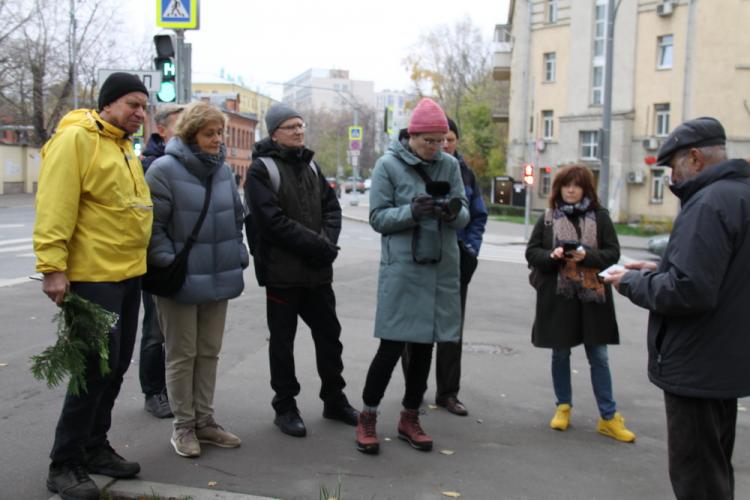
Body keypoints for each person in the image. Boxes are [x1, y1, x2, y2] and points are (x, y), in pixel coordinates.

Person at [604, 117, 750, 499]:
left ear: (696, 158)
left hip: (697, 364)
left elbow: (689, 291)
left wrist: (631, 282)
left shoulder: (708, 203)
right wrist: (660, 268)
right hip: (726, 361)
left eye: (673, 166)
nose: (671, 178)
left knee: (697, 479)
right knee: (716, 469)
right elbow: (725, 272)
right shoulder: (740, 195)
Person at [34, 72, 152, 500]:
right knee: (91, 370)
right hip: (92, 276)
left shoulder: (123, 147)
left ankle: (94, 446)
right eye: (132, 104)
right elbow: (55, 205)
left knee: (116, 366)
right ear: (108, 104)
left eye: (144, 106)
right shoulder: (76, 140)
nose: (140, 113)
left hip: (127, 275)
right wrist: (52, 267)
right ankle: (63, 463)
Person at [355, 98, 469, 455]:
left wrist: (451, 211)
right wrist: (412, 211)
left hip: (439, 269)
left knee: (424, 348)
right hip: (403, 270)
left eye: (442, 141)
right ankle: (368, 416)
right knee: (390, 346)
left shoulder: (449, 166)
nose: (437, 148)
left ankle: (409, 417)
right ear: (412, 136)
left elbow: (465, 213)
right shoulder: (388, 165)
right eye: (429, 142)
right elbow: (377, 218)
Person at [245, 103, 358, 438]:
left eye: (301, 125)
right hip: (282, 275)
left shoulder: (311, 165)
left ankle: (334, 399)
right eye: (290, 126)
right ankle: (285, 406)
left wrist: (326, 243)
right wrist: (317, 245)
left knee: (330, 338)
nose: (298, 131)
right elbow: (272, 223)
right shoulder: (261, 170)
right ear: (274, 132)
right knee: (283, 343)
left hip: (317, 273)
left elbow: (332, 209)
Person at [146, 101, 249, 458]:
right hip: (180, 280)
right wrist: (168, 262)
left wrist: (238, 253)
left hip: (218, 276)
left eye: (220, 133)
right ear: (190, 134)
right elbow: (153, 228)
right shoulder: (162, 170)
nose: (218, 140)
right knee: (181, 354)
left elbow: (237, 219)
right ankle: (183, 427)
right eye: (210, 133)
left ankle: (205, 420)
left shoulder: (222, 172)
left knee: (208, 353)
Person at [524, 164, 635, 443]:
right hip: (559, 299)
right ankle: (563, 407)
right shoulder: (548, 218)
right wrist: (553, 255)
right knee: (560, 353)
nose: (571, 190)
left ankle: (608, 417)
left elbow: (612, 253)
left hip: (592, 297)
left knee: (599, 356)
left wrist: (587, 257)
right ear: (559, 188)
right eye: (566, 185)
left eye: (576, 185)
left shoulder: (600, 217)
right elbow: (532, 253)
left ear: (586, 189)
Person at [433, 117, 487, 416]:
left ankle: (448, 393)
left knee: (452, 331)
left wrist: (470, 249)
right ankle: (411, 394)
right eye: (438, 138)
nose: (443, 145)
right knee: (416, 332)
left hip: (457, 263)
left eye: (449, 139)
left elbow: (478, 214)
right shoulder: (422, 168)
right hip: (425, 261)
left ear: (456, 141)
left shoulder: (465, 173)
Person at [139, 104, 183, 419]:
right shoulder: (150, 165)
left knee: (183, 334)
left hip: (187, 260)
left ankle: (181, 392)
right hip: (158, 261)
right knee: (156, 330)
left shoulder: (193, 164)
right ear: (163, 130)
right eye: (181, 126)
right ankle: (154, 392)